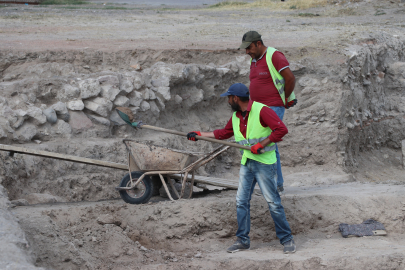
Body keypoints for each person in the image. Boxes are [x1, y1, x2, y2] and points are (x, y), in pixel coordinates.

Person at [187, 83, 295, 254]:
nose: (228, 102)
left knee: (273, 203)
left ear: (235, 98)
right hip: (248, 163)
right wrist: (199, 135)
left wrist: (262, 144)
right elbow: (223, 133)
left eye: (229, 98)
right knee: (241, 202)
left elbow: (281, 129)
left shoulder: (262, 110)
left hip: (265, 164)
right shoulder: (237, 116)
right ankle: (242, 240)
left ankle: (287, 239)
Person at [239, 30, 297, 194]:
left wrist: (285, 99)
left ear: (258, 43)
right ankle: (275, 182)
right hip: (258, 108)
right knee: (270, 144)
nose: (247, 52)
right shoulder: (254, 60)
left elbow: (290, 78)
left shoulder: (274, 56)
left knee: (268, 142)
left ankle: (275, 183)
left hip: (273, 106)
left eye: (249, 48)